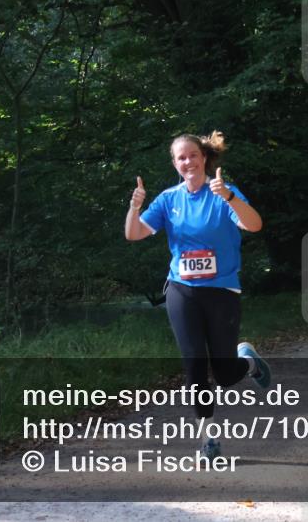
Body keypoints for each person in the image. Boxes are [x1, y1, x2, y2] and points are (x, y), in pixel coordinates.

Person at [125, 131, 270, 463]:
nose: (187, 161)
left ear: (203, 157)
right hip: (181, 290)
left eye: (192, 155)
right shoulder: (167, 199)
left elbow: (255, 225)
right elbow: (133, 234)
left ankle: (246, 361)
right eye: (180, 158)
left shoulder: (223, 193)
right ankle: (208, 437)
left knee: (224, 373)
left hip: (221, 290)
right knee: (194, 365)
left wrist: (231, 199)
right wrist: (135, 208)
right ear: (175, 164)